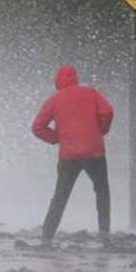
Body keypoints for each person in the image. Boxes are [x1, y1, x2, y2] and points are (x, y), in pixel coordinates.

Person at [30, 65, 114, 246]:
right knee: (102, 191)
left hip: (68, 154)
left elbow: (37, 127)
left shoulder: (54, 100)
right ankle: (104, 234)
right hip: (94, 151)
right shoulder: (90, 93)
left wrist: (56, 138)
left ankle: (47, 237)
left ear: (57, 81)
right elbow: (107, 112)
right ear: (75, 78)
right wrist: (101, 130)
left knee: (61, 194)